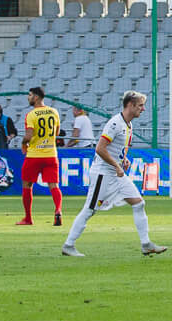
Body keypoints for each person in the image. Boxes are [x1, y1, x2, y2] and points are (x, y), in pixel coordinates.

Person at [62, 90, 166, 257]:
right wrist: (116, 165)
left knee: (139, 203)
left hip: (115, 173)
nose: (143, 109)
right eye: (140, 105)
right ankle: (68, 245)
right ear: (130, 105)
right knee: (89, 210)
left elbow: (118, 148)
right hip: (103, 173)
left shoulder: (128, 125)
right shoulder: (115, 123)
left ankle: (146, 244)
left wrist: (123, 160)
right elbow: (100, 148)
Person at [18, 86, 64, 227]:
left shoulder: (31, 115)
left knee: (27, 185)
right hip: (51, 154)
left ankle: (28, 218)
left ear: (36, 97)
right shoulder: (54, 112)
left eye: (30, 95)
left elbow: (29, 135)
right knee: (54, 186)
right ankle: (58, 210)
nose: (28, 97)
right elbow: (56, 132)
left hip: (34, 156)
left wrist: (24, 144)